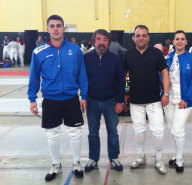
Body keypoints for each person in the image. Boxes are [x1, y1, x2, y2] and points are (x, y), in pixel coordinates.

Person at [27, 15, 88, 182]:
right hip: (50, 100)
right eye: (52, 26)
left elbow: (82, 74)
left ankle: (76, 163)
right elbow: (34, 77)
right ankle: (55, 164)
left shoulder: (75, 50)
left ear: (63, 28)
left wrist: (84, 95)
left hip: (71, 99)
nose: (55, 28)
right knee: (52, 134)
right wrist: (32, 98)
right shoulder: (38, 52)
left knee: (75, 133)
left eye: (58, 26)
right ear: (47, 29)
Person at [123, 25, 170, 175]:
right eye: (138, 35)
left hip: (154, 99)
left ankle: (159, 159)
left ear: (148, 37)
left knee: (158, 131)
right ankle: (140, 156)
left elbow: (164, 72)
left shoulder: (156, 53)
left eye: (144, 35)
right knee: (139, 130)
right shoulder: (128, 54)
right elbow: (124, 75)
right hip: (135, 100)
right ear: (133, 38)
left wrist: (166, 93)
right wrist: (125, 91)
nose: (141, 38)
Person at [83, 29, 125, 172]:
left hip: (111, 101)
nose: (102, 42)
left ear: (108, 42)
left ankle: (114, 157)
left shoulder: (116, 59)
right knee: (92, 132)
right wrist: (83, 97)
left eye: (105, 39)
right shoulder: (86, 58)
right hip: (92, 101)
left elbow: (121, 81)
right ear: (94, 41)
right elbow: (82, 80)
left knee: (112, 131)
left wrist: (120, 101)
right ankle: (93, 159)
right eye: (99, 39)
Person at [164, 30, 192, 173]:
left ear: (186, 42)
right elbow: (162, 77)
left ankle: (179, 160)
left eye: (182, 39)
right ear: (173, 41)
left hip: (184, 100)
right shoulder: (167, 57)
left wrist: (186, 98)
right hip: (169, 99)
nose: (179, 41)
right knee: (173, 129)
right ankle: (176, 154)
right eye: (177, 39)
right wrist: (164, 94)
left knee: (178, 129)